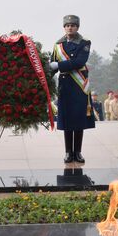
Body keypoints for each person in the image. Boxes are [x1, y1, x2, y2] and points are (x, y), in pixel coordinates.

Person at [50, 15, 95, 163]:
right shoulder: (58, 45)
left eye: (73, 25)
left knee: (79, 119)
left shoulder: (84, 43)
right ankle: (68, 152)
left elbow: (79, 61)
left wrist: (59, 65)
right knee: (67, 120)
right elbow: (52, 65)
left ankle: (78, 152)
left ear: (77, 27)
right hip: (65, 86)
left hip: (79, 86)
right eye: (67, 25)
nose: (70, 27)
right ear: (64, 27)